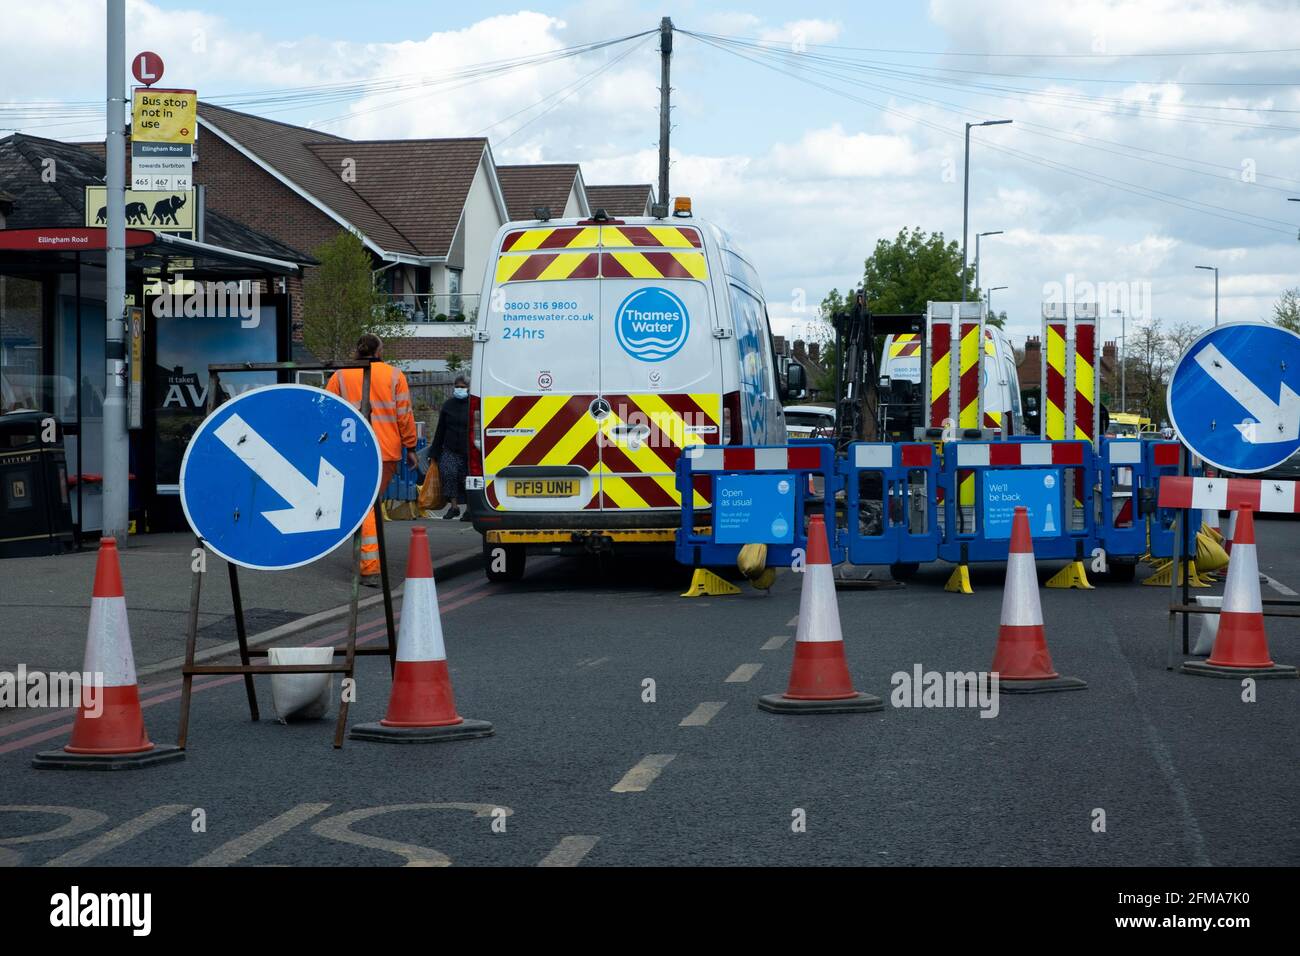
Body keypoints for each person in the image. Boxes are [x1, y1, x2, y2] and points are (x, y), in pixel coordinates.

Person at [326, 334, 417, 586]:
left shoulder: (341, 376)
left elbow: (327, 411)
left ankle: (368, 563)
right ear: (378, 351)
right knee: (368, 505)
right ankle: (370, 566)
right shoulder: (394, 376)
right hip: (385, 450)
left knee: (364, 505)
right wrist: (410, 446)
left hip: (352, 452)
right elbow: (404, 415)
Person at [430, 374, 470, 520]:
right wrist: (434, 451)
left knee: (468, 479)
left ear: (468, 388)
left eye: (462, 387)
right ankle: (453, 507)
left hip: (469, 450)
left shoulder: (473, 405)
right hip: (449, 448)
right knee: (449, 474)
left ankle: (469, 509)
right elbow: (440, 429)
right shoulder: (448, 405)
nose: (459, 389)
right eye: (457, 387)